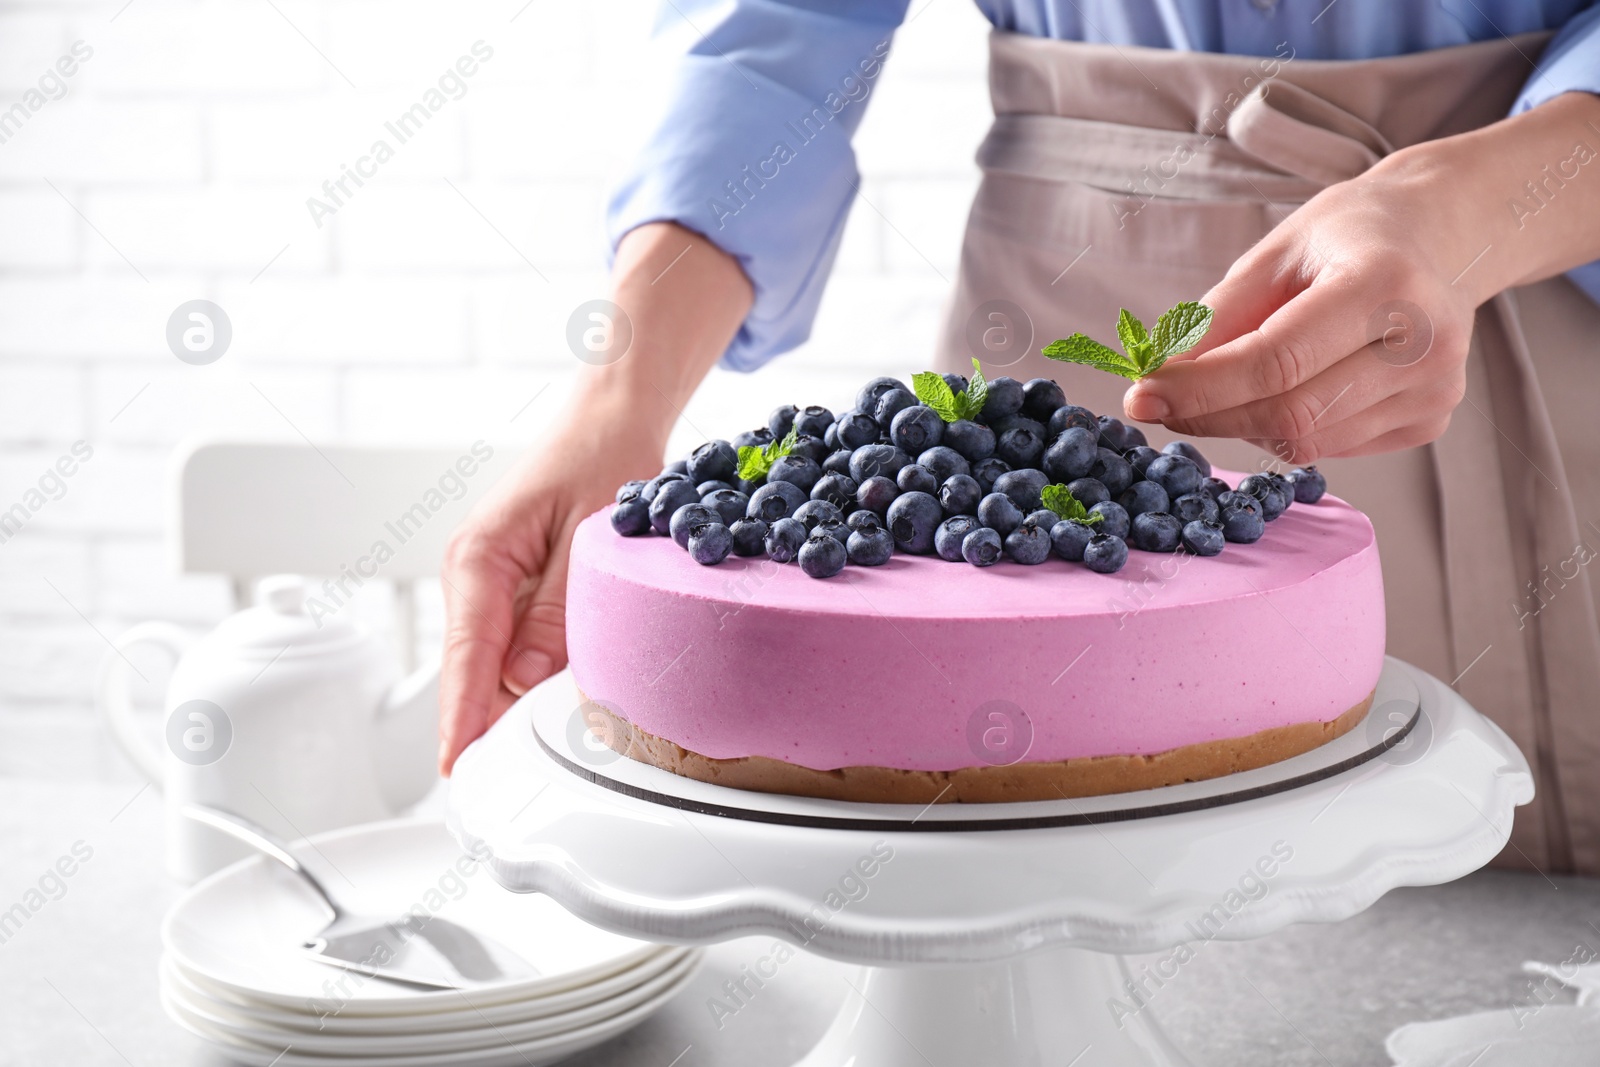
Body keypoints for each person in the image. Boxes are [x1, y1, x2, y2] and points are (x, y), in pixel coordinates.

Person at [438, 2, 1600, 874]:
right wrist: (621, 398)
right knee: (1032, 882)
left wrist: (1471, 204)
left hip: (1538, 241)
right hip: (1068, 286)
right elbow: (773, 30)